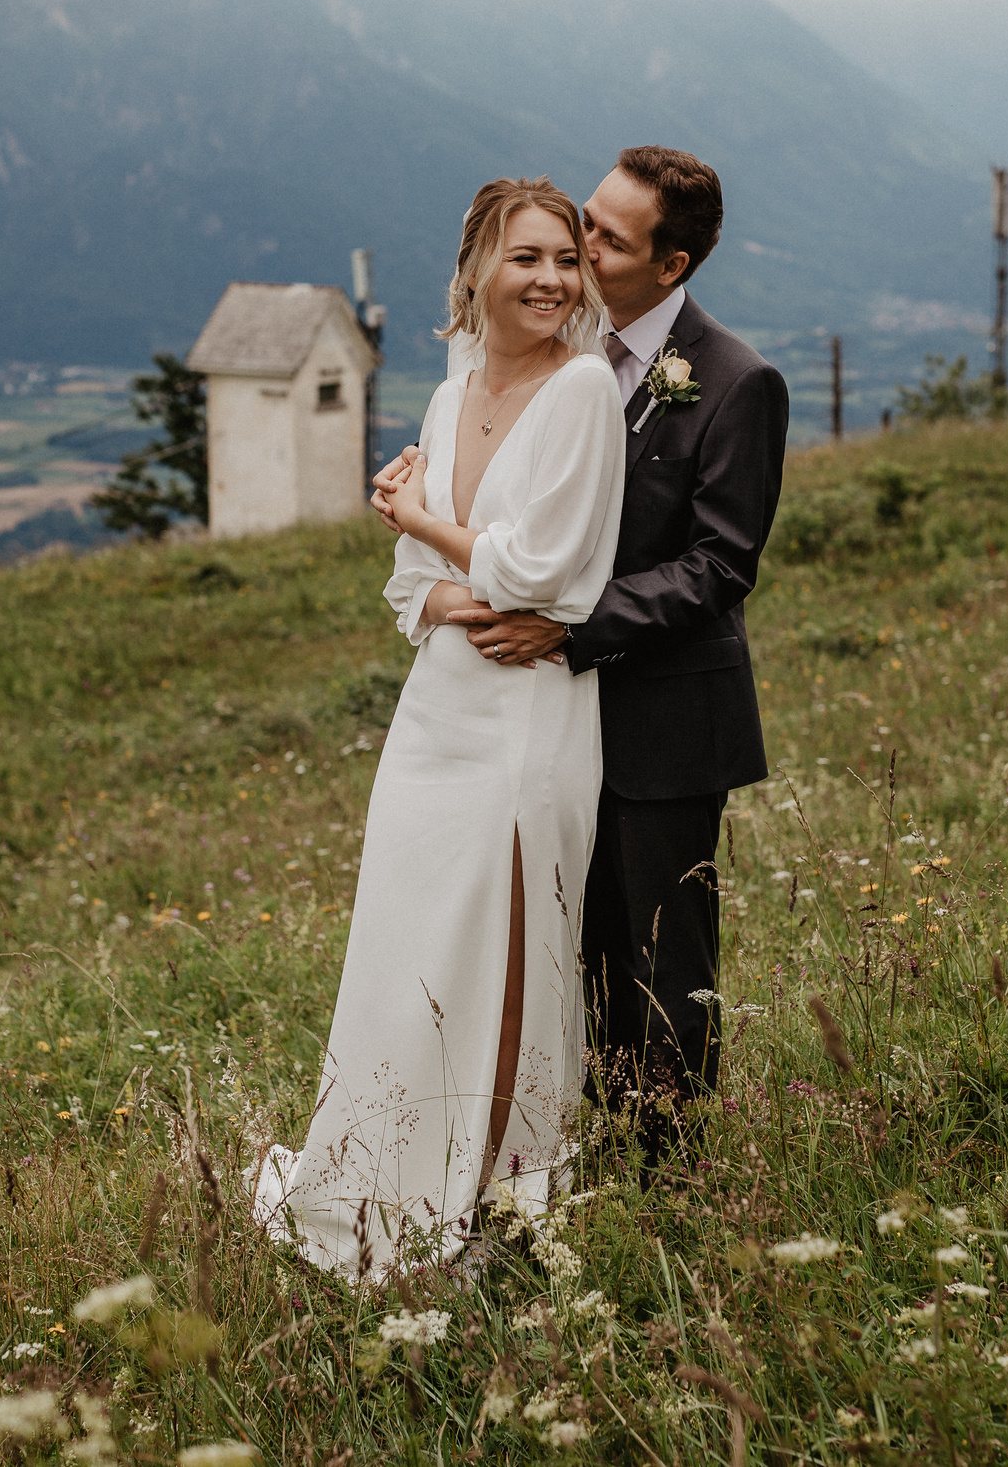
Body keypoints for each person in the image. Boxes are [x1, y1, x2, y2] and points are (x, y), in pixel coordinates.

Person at [374, 147, 787, 1163]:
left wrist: (572, 627)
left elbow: (717, 567)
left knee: (660, 956)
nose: (582, 246)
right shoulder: (549, 357)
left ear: (671, 263)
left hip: (663, 718)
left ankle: (668, 1166)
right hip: (541, 722)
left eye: (605, 236)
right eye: (584, 223)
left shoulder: (733, 382)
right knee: (572, 947)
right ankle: (570, 1138)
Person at [253, 177, 626, 1280]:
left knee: (503, 947)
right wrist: (449, 569)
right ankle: (383, 1172)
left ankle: (491, 1203)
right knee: (405, 946)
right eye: (528, 258)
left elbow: (550, 577)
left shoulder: (585, 394)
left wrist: (426, 523)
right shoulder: (449, 390)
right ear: (474, 271)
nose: (554, 279)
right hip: (435, 719)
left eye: (568, 258)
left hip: (527, 725)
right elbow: (412, 590)